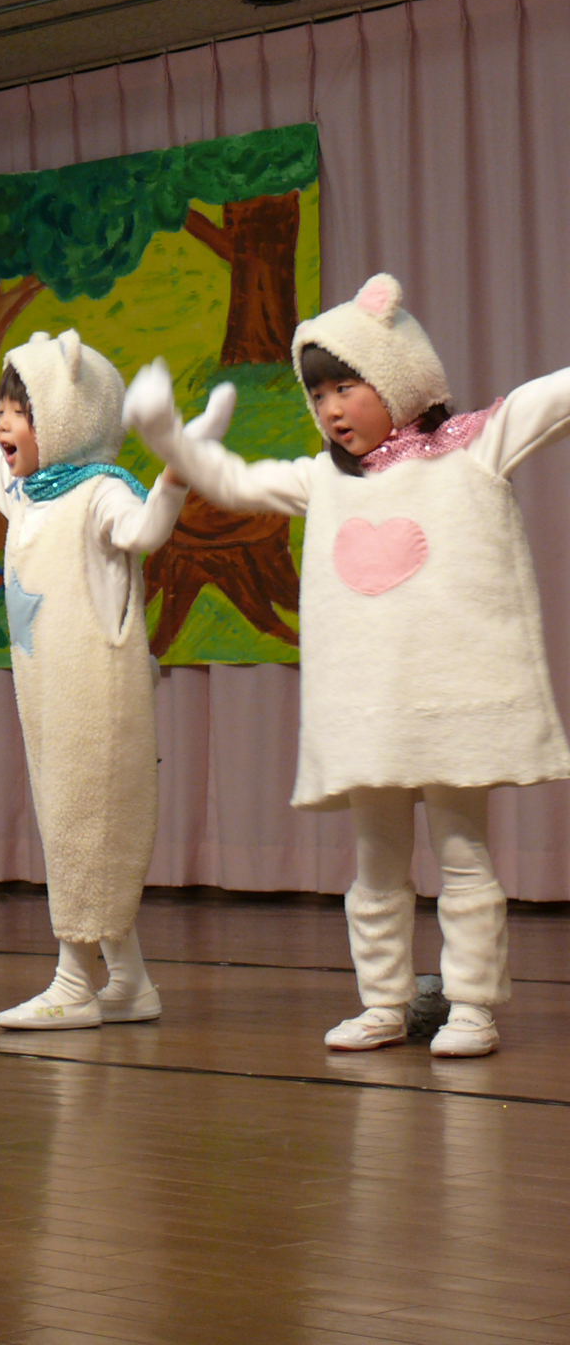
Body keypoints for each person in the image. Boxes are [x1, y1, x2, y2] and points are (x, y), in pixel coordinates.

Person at [125, 273, 570, 1058]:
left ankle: (471, 1006)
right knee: (376, 864)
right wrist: (168, 438)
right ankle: (384, 1003)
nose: (330, 408)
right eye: (318, 393)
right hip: (370, 709)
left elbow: (555, 395)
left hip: (452, 703)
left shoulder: (474, 445)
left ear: (398, 378)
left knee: (464, 858)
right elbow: (231, 480)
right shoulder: (323, 480)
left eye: (346, 386)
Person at [0, 332, 227, 1029]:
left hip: (95, 699)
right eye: (3, 410)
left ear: (67, 421)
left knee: (82, 826)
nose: (3, 424)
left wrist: (178, 471)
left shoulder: (98, 493)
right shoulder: (27, 495)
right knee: (75, 826)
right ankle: (129, 981)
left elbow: (146, 530)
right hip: (47, 698)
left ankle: (73, 981)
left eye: (23, 412)